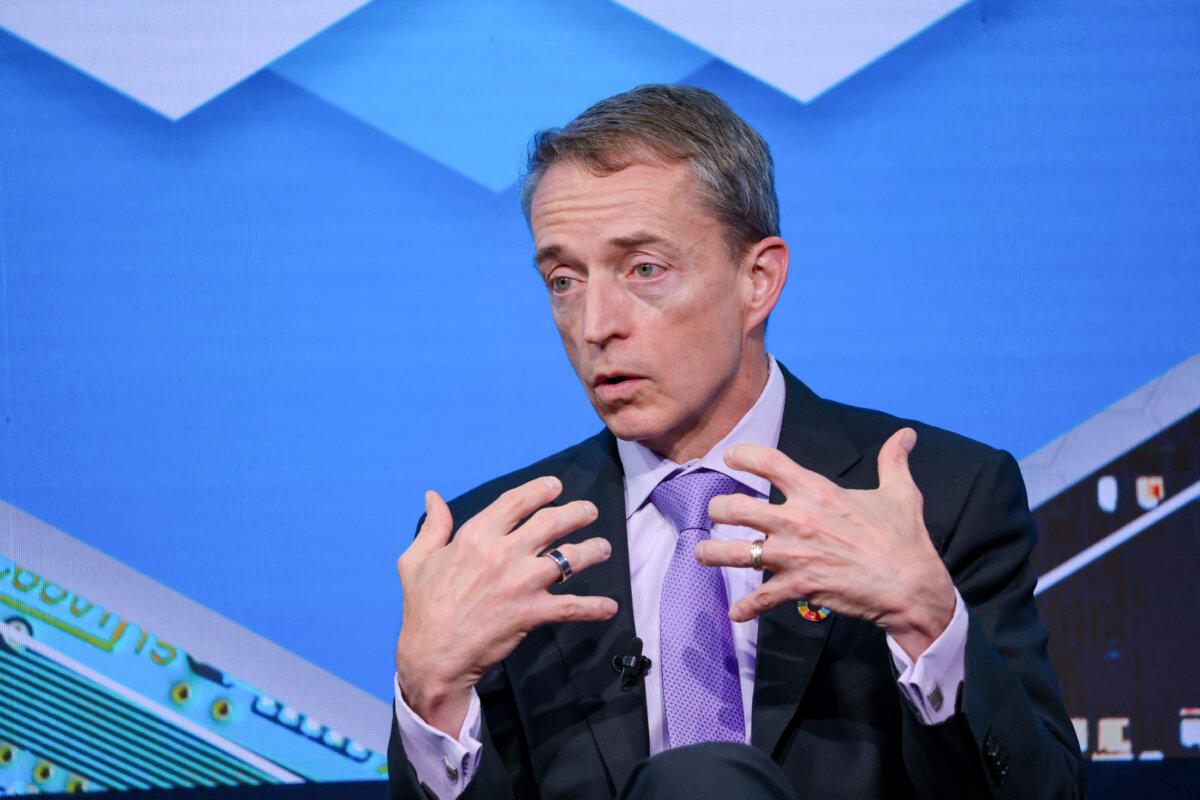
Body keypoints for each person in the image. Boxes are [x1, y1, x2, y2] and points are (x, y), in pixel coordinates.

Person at [386, 84, 1083, 799]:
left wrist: (930, 625)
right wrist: (430, 700)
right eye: (564, 281)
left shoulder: (941, 500)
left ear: (758, 280)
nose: (595, 325)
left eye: (644, 269)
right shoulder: (498, 548)